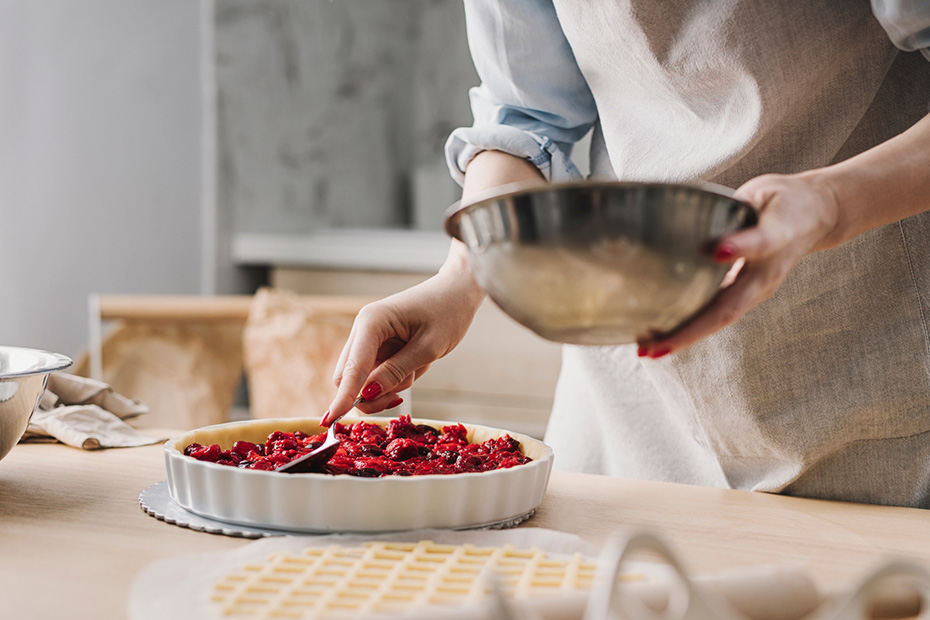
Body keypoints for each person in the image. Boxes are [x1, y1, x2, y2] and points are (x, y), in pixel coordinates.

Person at [323, 1, 930, 507]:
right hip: (630, 392)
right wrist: (462, 274)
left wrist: (831, 199)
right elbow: (527, 119)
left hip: (866, 348)